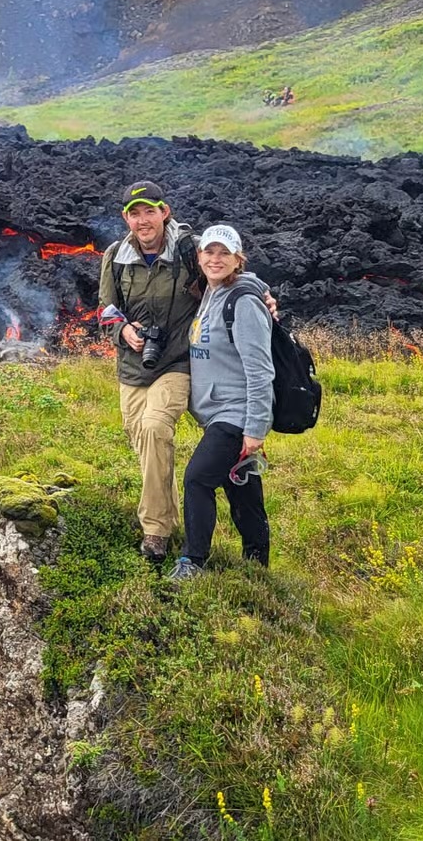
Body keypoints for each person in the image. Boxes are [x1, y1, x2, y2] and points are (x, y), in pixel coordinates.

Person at [97, 179, 204, 563]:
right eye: (134, 213)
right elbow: (106, 309)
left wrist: (261, 297)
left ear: (165, 212)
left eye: (150, 211)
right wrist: (124, 330)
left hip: (177, 360)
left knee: (156, 427)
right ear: (126, 218)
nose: (143, 221)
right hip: (132, 364)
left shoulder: (190, 249)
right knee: (144, 441)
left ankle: (155, 531)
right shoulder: (115, 256)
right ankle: (168, 514)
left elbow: (226, 276)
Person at [169, 223, 274, 581]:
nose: (215, 259)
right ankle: (257, 567)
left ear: (237, 259)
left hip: (236, 413)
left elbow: (261, 370)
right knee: (242, 489)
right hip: (217, 412)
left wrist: (256, 428)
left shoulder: (243, 302)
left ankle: (192, 563)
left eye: (224, 253)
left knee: (197, 479)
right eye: (209, 252)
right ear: (199, 257)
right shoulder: (210, 293)